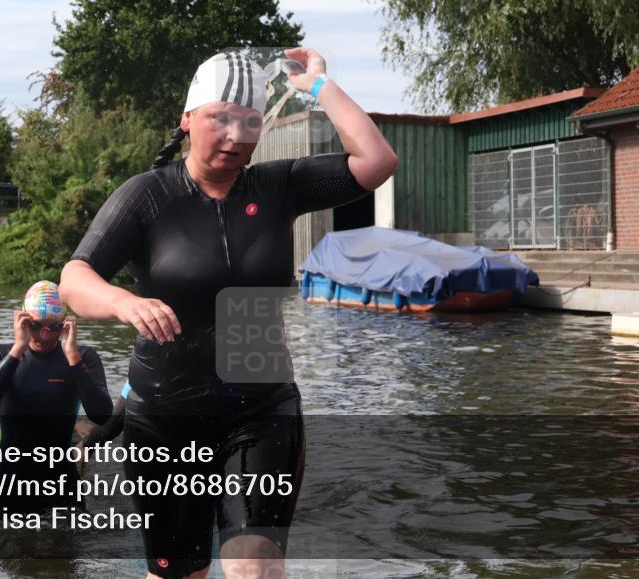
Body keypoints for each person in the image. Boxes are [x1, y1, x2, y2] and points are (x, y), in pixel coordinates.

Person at [59, 47, 398, 579]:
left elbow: (376, 163)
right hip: (165, 415)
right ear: (188, 119)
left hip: (260, 408)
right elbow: (75, 279)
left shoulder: (277, 186)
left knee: (255, 566)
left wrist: (317, 87)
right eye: (220, 118)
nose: (236, 135)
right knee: (178, 572)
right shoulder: (148, 196)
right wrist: (125, 303)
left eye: (249, 121)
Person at [0, 280, 113, 514]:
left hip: (61, 478)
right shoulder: (0, 354)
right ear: (22, 320)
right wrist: (18, 348)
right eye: (35, 325)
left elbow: (102, 415)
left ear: (65, 324)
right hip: (9, 479)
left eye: (53, 328)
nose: (44, 336)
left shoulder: (83, 356)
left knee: (67, 547)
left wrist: (73, 357)